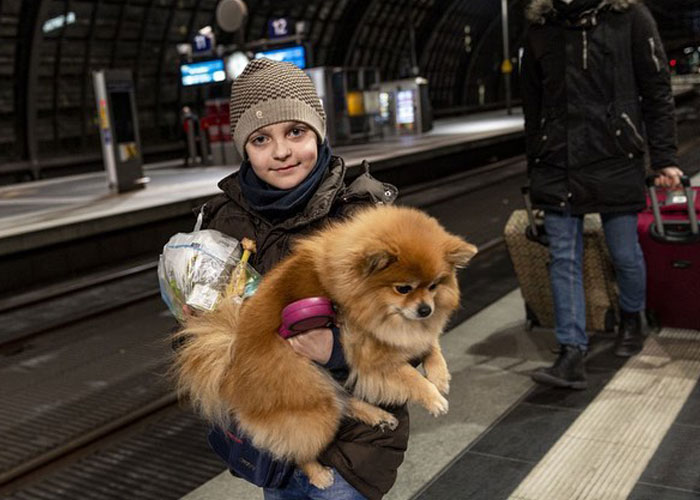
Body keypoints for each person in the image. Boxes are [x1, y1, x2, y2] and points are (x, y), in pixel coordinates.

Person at [196, 58, 405, 500]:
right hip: (277, 443)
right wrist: (207, 337)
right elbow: (191, 336)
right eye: (260, 139)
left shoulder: (363, 214)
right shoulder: (223, 221)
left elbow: (416, 332)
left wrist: (336, 349)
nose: (282, 151)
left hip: (353, 447)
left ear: (319, 131)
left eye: (295, 131)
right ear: (244, 149)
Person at [521, 0, 684, 389]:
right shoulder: (542, 27)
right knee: (564, 258)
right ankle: (571, 352)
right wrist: (536, 165)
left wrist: (664, 159)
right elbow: (533, 104)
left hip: (616, 156)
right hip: (559, 162)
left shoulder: (629, 18)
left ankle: (632, 317)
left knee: (624, 252)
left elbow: (657, 90)